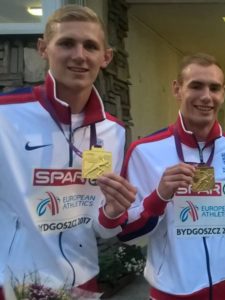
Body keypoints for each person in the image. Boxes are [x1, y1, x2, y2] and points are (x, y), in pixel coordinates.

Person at [0, 4, 136, 298]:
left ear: (106, 57)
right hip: (16, 283)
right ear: (43, 48)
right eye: (66, 43)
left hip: (83, 282)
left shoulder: (113, 131)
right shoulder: (5, 114)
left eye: (90, 46)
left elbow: (102, 226)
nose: (79, 55)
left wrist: (113, 211)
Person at [113, 53, 225, 299]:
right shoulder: (144, 151)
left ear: (223, 93)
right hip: (172, 292)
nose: (206, 96)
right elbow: (127, 233)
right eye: (196, 86)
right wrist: (159, 197)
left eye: (214, 88)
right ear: (177, 89)